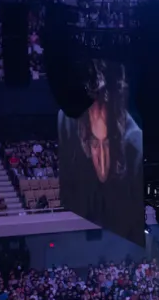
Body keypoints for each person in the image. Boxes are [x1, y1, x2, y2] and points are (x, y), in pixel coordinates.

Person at [57, 59, 145, 243]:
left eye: (108, 143)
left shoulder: (136, 151)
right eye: (95, 144)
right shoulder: (67, 124)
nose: (103, 161)